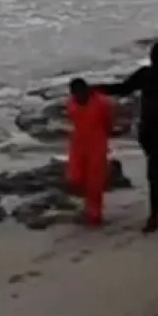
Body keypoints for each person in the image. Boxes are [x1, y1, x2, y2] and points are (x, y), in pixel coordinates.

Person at [95, 40, 158, 232]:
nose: (156, 59)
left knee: (154, 172)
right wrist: (98, 88)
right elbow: (123, 88)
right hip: (148, 130)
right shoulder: (147, 75)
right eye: (154, 56)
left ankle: (154, 215)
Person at [65, 78, 115, 225]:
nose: (78, 95)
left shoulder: (101, 103)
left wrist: (106, 135)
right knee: (75, 177)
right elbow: (73, 120)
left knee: (95, 181)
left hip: (97, 143)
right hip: (78, 142)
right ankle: (88, 206)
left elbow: (108, 122)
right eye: (75, 93)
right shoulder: (71, 103)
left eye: (80, 92)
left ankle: (94, 214)